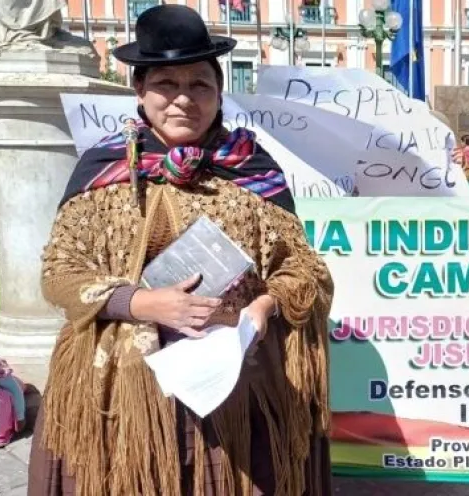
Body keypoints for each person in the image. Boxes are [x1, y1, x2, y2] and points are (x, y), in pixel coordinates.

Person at [27, 5, 334, 495]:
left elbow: (305, 269)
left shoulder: (252, 168)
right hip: (123, 390)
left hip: (234, 388)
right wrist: (140, 303)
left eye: (199, 85)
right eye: (166, 84)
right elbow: (60, 271)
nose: (183, 99)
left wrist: (263, 306)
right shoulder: (103, 168)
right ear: (140, 91)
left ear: (218, 92)